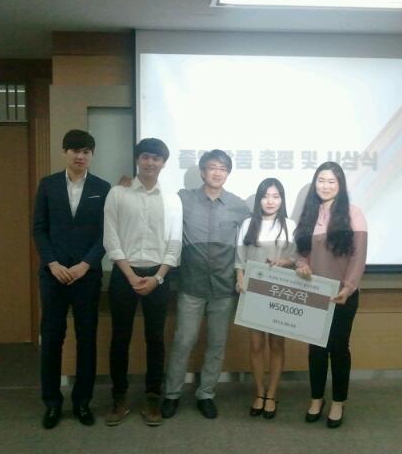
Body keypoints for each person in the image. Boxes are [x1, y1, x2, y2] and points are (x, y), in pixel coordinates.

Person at [162, 149, 251, 420]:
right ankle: (172, 394)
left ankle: (206, 394)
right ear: (202, 172)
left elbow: (252, 238)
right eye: (212, 167)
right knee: (183, 341)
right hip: (191, 285)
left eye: (223, 168)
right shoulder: (183, 199)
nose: (217, 172)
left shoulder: (238, 206)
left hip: (224, 287)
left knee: (216, 343)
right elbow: (154, 203)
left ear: (228, 173)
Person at [33, 129, 111, 429]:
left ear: (92, 155)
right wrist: (52, 263)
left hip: (86, 276)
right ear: (65, 152)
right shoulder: (48, 185)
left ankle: (82, 402)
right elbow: (39, 229)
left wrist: (86, 265)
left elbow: (106, 234)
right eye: (75, 150)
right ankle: (52, 403)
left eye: (86, 151)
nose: (80, 156)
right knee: (52, 340)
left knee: (86, 340)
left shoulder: (102, 188)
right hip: (53, 275)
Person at [103, 138, 182, 427]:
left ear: (164, 163)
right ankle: (119, 397)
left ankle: (152, 397)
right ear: (137, 159)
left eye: (156, 158)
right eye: (146, 157)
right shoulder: (118, 193)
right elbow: (111, 237)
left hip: (158, 276)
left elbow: (175, 243)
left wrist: (158, 277)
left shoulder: (172, 199)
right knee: (120, 338)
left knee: (155, 339)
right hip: (124, 274)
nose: (151, 162)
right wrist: (130, 275)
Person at [294, 161, 367, 428]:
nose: (325, 186)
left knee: (338, 349)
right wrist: (301, 264)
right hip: (314, 293)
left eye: (331, 181)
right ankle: (316, 399)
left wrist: (347, 288)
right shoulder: (309, 215)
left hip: (342, 295)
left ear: (340, 185)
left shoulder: (353, 213)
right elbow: (302, 252)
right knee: (315, 349)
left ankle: (338, 402)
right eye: (321, 180)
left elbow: (358, 256)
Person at [235, 178, 297, 419]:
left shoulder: (290, 225)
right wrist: (240, 278)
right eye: (265, 196)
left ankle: (272, 394)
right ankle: (259, 393)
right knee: (256, 345)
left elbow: (297, 259)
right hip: (253, 292)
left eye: (276, 196)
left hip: (280, 293)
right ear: (259, 199)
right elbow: (240, 259)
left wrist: (285, 261)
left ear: (282, 200)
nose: (270, 201)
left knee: (277, 344)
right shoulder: (248, 224)